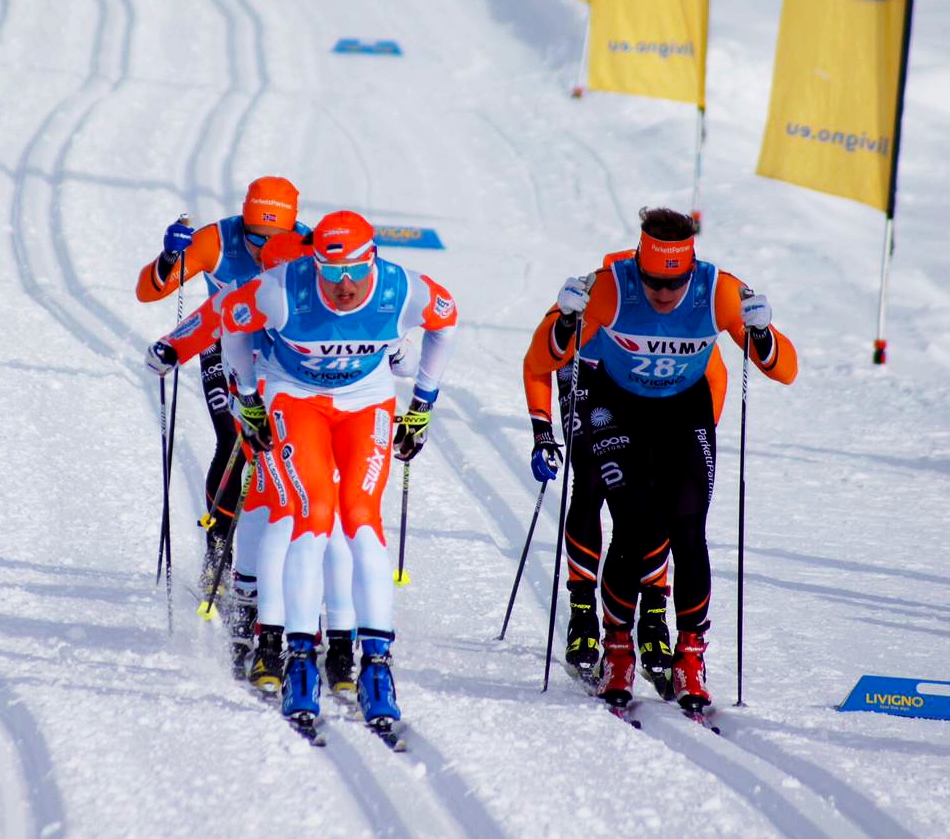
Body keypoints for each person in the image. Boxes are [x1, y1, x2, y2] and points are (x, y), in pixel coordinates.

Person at [524, 207, 797, 712]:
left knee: (688, 531)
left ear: (690, 270)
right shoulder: (607, 288)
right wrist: (565, 321)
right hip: (618, 406)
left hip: (682, 410)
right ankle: (619, 650)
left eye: (673, 284)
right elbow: (542, 360)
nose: (662, 294)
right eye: (652, 281)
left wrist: (761, 335)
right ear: (639, 263)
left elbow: (784, 371)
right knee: (633, 527)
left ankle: (690, 655)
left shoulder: (719, 291)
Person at [144, 230, 419, 695]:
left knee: (304, 515)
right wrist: (170, 349)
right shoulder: (260, 294)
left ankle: (311, 632)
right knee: (286, 510)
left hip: (318, 415)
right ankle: (272, 626)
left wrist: (389, 348)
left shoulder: (301, 289)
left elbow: (401, 357)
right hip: (270, 416)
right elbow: (207, 321)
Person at [218, 209, 458, 729]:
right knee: (314, 512)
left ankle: (376, 667)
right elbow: (231, 323)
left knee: (361, 517)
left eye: (352, 271)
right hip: (295, 396)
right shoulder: (282, 290)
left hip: (366, 401)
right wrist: (246, 397)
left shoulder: (403, 290)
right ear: (315, 266)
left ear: (372, 259)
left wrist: (422, 404)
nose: (343, 285)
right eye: (330, 274)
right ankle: (299, 659)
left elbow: (447, 323)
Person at [523, 319, 728, 700]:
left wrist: (694, 438)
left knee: (659, 494)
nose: (659, 294)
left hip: (649, 392)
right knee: (590, 476)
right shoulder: (597, 298)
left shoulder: (678, 314)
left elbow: (716, 374)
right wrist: (542, 431)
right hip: (586, 373)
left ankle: (653, 616)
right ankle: (583, 614)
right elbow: (536, 362)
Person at [138, 177, 309, 606]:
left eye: (275, 238)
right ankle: (218, 554)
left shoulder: (308, 245)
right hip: (221, 342)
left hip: (280, 355)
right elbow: (149, 291)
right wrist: (169, 259)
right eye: (254, 236)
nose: (261, 248)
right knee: (233, 439)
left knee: (285, 452)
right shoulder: (217, 239)